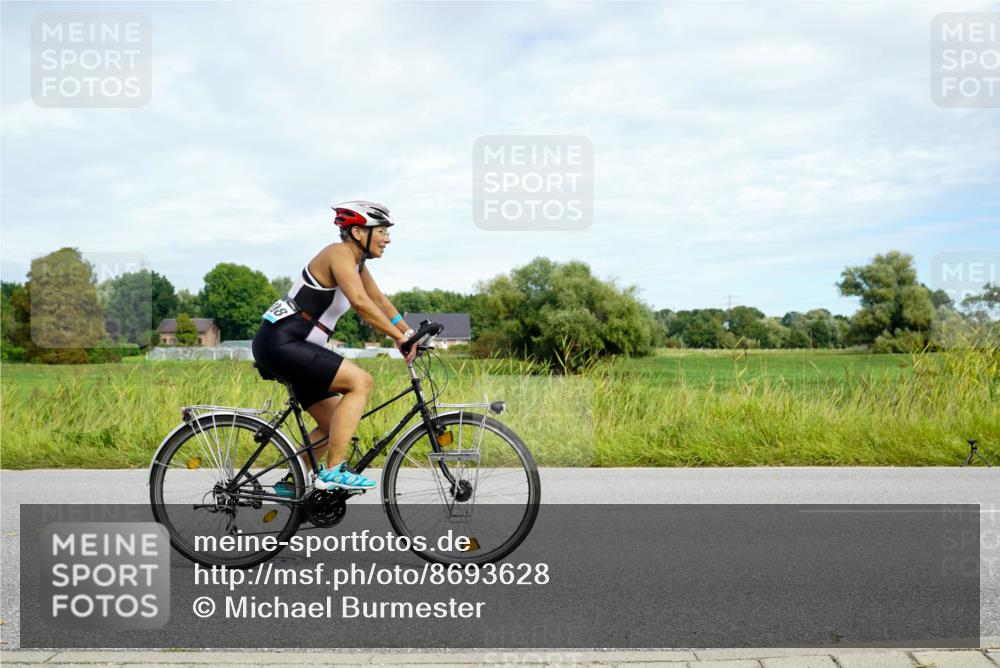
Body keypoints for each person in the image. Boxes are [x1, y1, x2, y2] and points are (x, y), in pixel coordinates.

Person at [251, 201, 416, 494]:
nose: (387, 239)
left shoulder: (356, 263)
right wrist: (396, 338)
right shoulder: (338, 253)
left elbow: (378, 300)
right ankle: (332, 472)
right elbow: (361, 304)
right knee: (360, 382)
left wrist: (408, 332)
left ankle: (292, 482)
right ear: (356, 231)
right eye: (381, 231)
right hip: (283, 342)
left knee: (334, 424)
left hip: (294, 345)